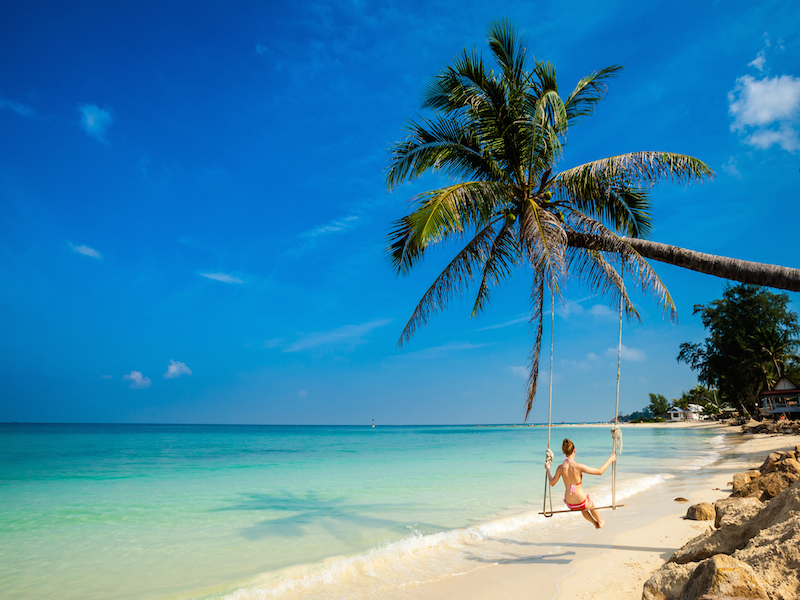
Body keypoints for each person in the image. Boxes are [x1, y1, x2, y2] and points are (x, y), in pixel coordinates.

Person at [545, 438, 616, 529]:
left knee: (583, 509)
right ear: (574, 450)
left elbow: (552, 483)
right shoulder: (578, 466)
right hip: (581, 500)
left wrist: (548, 469)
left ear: (564, 452)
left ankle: (595, 523)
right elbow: (599, 472)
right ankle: (599, 521)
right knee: (590, 505)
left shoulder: (560, 468)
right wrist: (610, 459)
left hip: (569, 503)